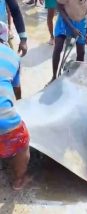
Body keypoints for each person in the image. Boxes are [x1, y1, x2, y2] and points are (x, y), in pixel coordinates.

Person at [0, 22, 30, 190]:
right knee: (22, 142)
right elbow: (16, 91)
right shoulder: (13, 56)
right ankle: (19, 179)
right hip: (6, 125)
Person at [51, 0, 87, 83]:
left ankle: (76, 79)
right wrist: (71, 27)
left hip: (80, 21)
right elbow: (59, 6)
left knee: (81, 52)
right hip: (65, 19)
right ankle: (54, 77)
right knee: (58, 47)